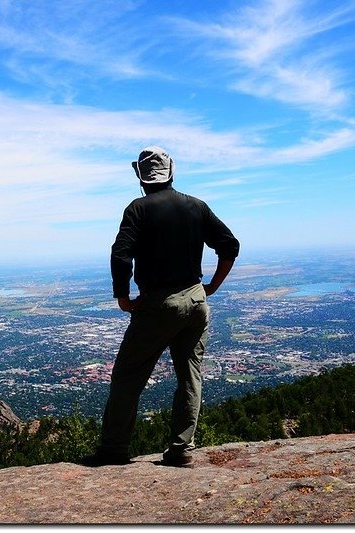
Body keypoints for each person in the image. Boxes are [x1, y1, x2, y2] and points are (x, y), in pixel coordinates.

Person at [81, 146, 239, 468]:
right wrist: (210, 287)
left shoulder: (138, 209)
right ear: (172, 172)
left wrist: (123, 298)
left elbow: (121, 254)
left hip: (158, 304)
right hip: (196, 300)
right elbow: (230, 246)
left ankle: (113, 450)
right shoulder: (196, 206)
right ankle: (181, 449)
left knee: (128, 377)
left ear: (141, 177)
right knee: (190, 375)